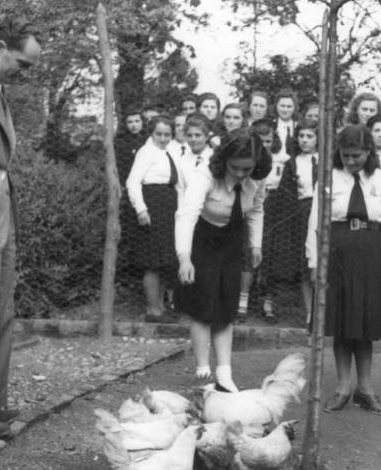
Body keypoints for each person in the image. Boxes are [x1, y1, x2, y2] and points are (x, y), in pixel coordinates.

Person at [306, 125, 381, 416]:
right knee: (342, 324)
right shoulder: (329, 179)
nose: (350, 161)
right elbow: (315, 223)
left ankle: (366, 389)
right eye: (345, 155)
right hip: (337, 252)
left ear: (368, 152)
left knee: (365, 325)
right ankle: (343, 387)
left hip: (372, 251)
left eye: (356, 155)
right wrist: (314, 262)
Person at [175, 129, 271, 393]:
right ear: (224, 160)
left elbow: (257, 209)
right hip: (202, 239)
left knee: (227, 306)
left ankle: (224, 374)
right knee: (203, 305)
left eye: (247, 169)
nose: (241, 174)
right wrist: (185, 258)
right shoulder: (206, 175)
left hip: (232, 239)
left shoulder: (256, 179)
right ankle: (203, 371)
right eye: (235, 168)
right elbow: (186, 215)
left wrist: (255, 244)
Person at [0, 18, 41, 439]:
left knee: (2, 314)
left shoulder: (0, 93)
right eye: (21, 64)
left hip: (2, 215)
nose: (23, 73)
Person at [126, 115, 181, 323]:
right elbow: (132, 182)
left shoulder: (169, 151)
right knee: (151, 261)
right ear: (151, 133)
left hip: (168, 207)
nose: (163, 138)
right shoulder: (146, 152)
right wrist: (141, 210)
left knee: (163, 261)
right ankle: (153, 310)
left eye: (167, 134)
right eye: (159, 134)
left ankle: (160, 308)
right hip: (153, 206)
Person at [265, 118, 318, 325]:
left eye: (310, 136)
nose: (305, 141)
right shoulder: (292, 163)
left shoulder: (327, 160)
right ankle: (310, 313)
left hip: (324, 213)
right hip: (302, 215)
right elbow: (287, 195)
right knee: (306, 263)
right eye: (302, 136)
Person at [237, 119, 282, 323]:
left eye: (267, 142)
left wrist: (256, 245)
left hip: (243, 219)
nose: (263, 147)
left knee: (248, 260)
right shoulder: (235, 159)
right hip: (217, 220)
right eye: (259, 141)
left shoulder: (264, 169)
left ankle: (241, 305)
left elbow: (256, 207)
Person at [115, 107, 146, 282]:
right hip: (129, 191)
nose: (134, 125)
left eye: (137, 121)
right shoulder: (120, 143)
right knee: (131, 231)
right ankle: (131, 275)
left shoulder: (149, 141)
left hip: (148, 191)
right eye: (130, 122)